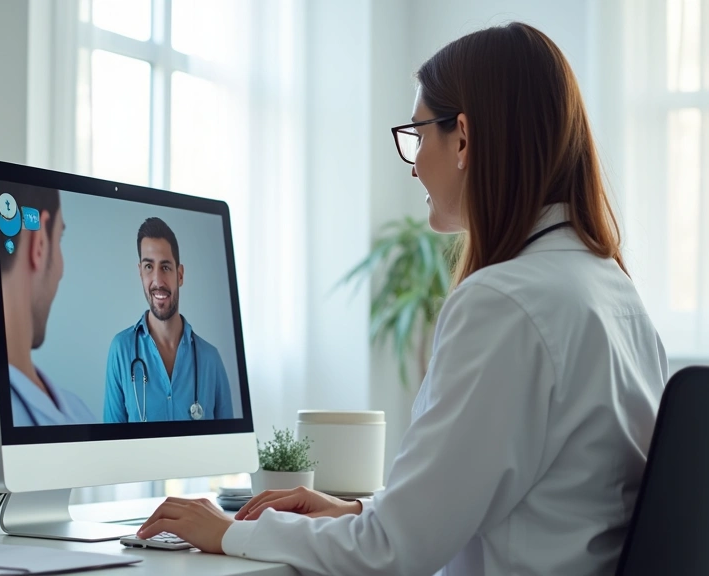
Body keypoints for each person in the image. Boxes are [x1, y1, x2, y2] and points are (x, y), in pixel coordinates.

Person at [134, 22, 668, 575]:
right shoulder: (610, 289)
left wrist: (231, 533)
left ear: (463, 139)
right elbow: (506, 502)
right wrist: (360, 511)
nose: (413, 165)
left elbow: (391, 555)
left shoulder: (505, 304)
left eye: (418, 134)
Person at [103, 217, 234, 423]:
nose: (157, 281)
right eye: (149, 266)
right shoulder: (121, 351)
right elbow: (111, 440)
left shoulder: (211, 360)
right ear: (140, 273)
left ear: (180, 275)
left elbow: (229, 441)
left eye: (165, 267)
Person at [0, 184, 98, 426]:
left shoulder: (74, 410)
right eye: (59, 238)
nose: (61, 271)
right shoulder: (81, 417)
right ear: (40, 242)